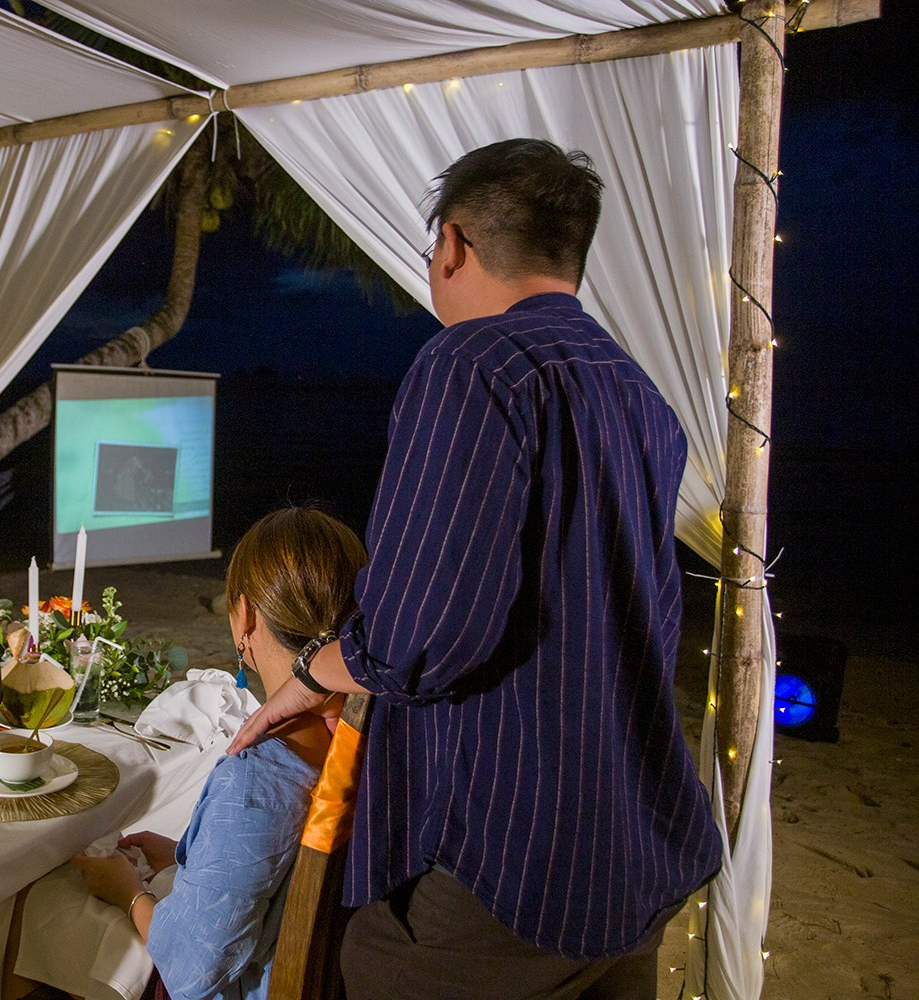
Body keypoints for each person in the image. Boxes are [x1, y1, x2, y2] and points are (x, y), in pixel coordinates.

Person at [228, 139, 721, 998]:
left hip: (505, 869)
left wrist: (313, 669)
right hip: (634, 853)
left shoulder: (472, 365)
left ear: (451, 244)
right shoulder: (642, 398)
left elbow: (417, 639)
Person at [65, 507, 367, 1000]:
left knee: (41, 913)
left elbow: (189, 971)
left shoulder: (258, 777)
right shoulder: (352, 739)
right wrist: (184, 862)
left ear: (245, 616)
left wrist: (126, 891)